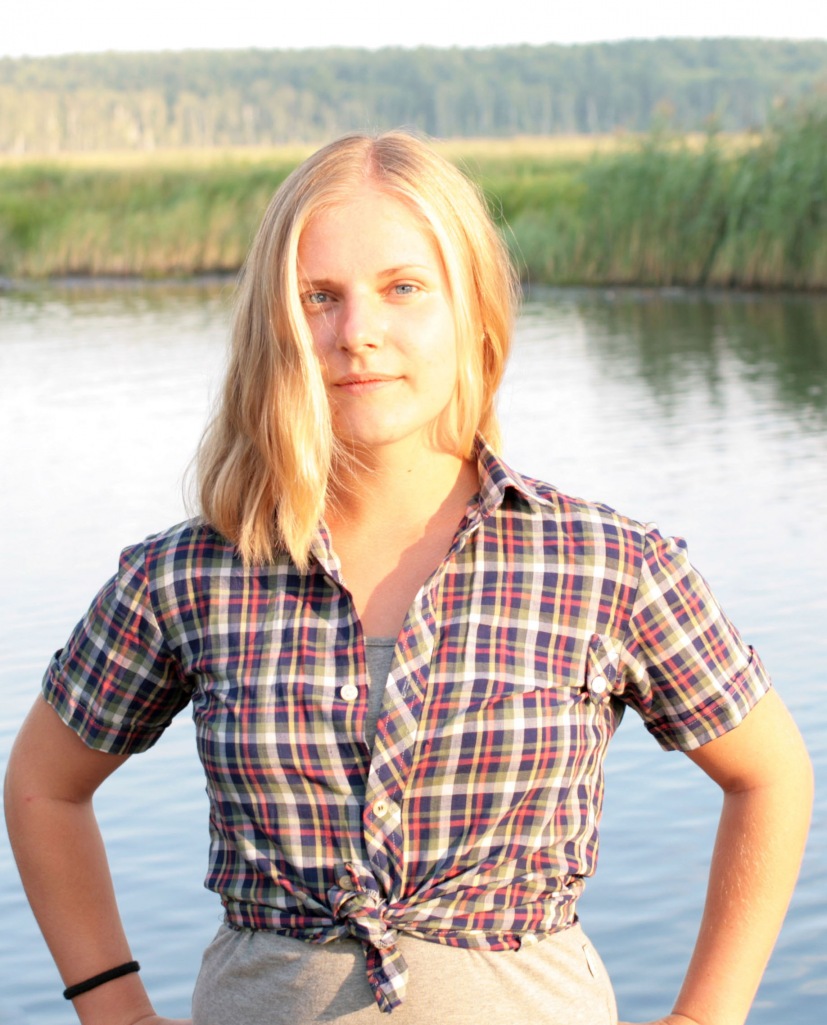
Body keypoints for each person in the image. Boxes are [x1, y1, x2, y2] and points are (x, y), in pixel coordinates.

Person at [4, 131, 813, 1025]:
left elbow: (769, 775)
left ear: (474, 311)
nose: (357, 332)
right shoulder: (189, 576)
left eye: (403, 288)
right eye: (319, 296)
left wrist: (704, 1016)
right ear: (275, 325)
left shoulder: (606, 565)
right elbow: (44, 784)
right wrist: (113, 1006)